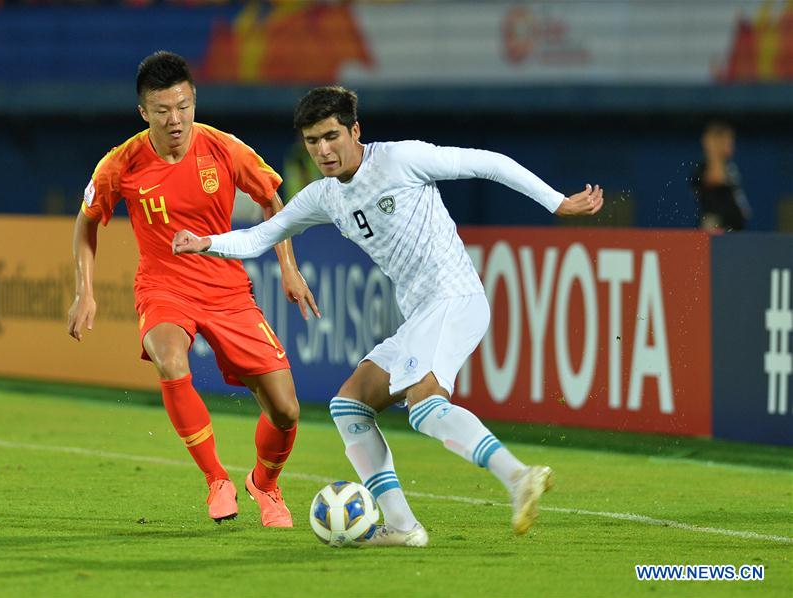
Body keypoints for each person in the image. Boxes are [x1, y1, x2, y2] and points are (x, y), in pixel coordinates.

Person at [172, 85, 603, 546]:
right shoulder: (324, 196)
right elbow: (264, 235)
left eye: (332, 136)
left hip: (453, 298)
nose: (323, 150)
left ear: (355, 130)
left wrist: (556, 201)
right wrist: (208, 243)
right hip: (420, 314)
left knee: (425, 407)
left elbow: (488, 162)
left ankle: (518, 477)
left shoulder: (401, 160)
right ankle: (402, 526)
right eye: (312, 142)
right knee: (349, 405)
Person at [67, 51, 320, 528]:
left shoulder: (223, 148)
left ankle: (264, 484)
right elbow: (87, 222)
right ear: (144, 113)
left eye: (183, 106)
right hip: (163, 287)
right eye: (162, 110)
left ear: (194, 101)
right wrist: (86, 290)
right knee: (169, 356)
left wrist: (288, 267)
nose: (175, 119)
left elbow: (271, 198)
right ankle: (217, 480)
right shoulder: (120, 164)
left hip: (227, 290)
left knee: (285, 410)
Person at [690, 120, 751, 232]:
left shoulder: (729, 166)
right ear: (717, 142)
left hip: (734, 229)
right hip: (717, 230)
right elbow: (717, 178)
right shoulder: (703, 168)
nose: (731, 144)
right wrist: (711, 149)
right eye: (727, 140)